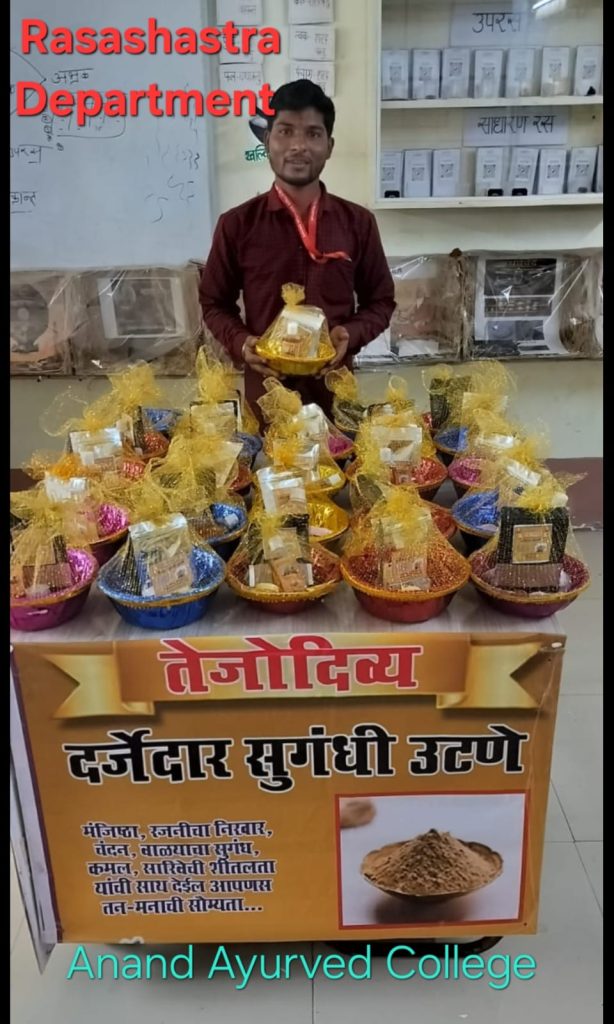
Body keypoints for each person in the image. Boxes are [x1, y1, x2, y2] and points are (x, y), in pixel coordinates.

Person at [199, 79, 395, 427]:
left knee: (342, 460)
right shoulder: (237, 225)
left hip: (336, 402)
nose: (298, 146)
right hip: (267, 401)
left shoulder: (358, 223)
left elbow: (380, 302)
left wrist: (349, 335)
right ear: (267, 141)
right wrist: (242, 343)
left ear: (329, 146)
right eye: (285, 131)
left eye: (313, 134)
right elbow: (214, 303)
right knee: (268, 463)